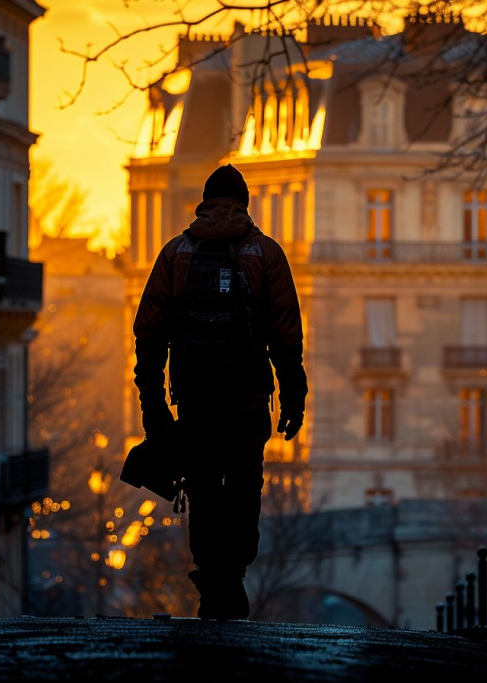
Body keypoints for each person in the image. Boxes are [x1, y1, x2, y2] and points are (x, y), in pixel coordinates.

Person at [131, 163, 307, 620]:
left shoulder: (176, 254)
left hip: (194, 396)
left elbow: (149, 333)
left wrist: (153, 405)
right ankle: (234, 574)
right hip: (248, 395)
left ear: (205, 204)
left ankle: (210, 576)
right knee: (246, 481)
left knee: (203, 485)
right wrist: (294, 396)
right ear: (245, 205)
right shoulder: (265, 254)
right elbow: (286, 334)